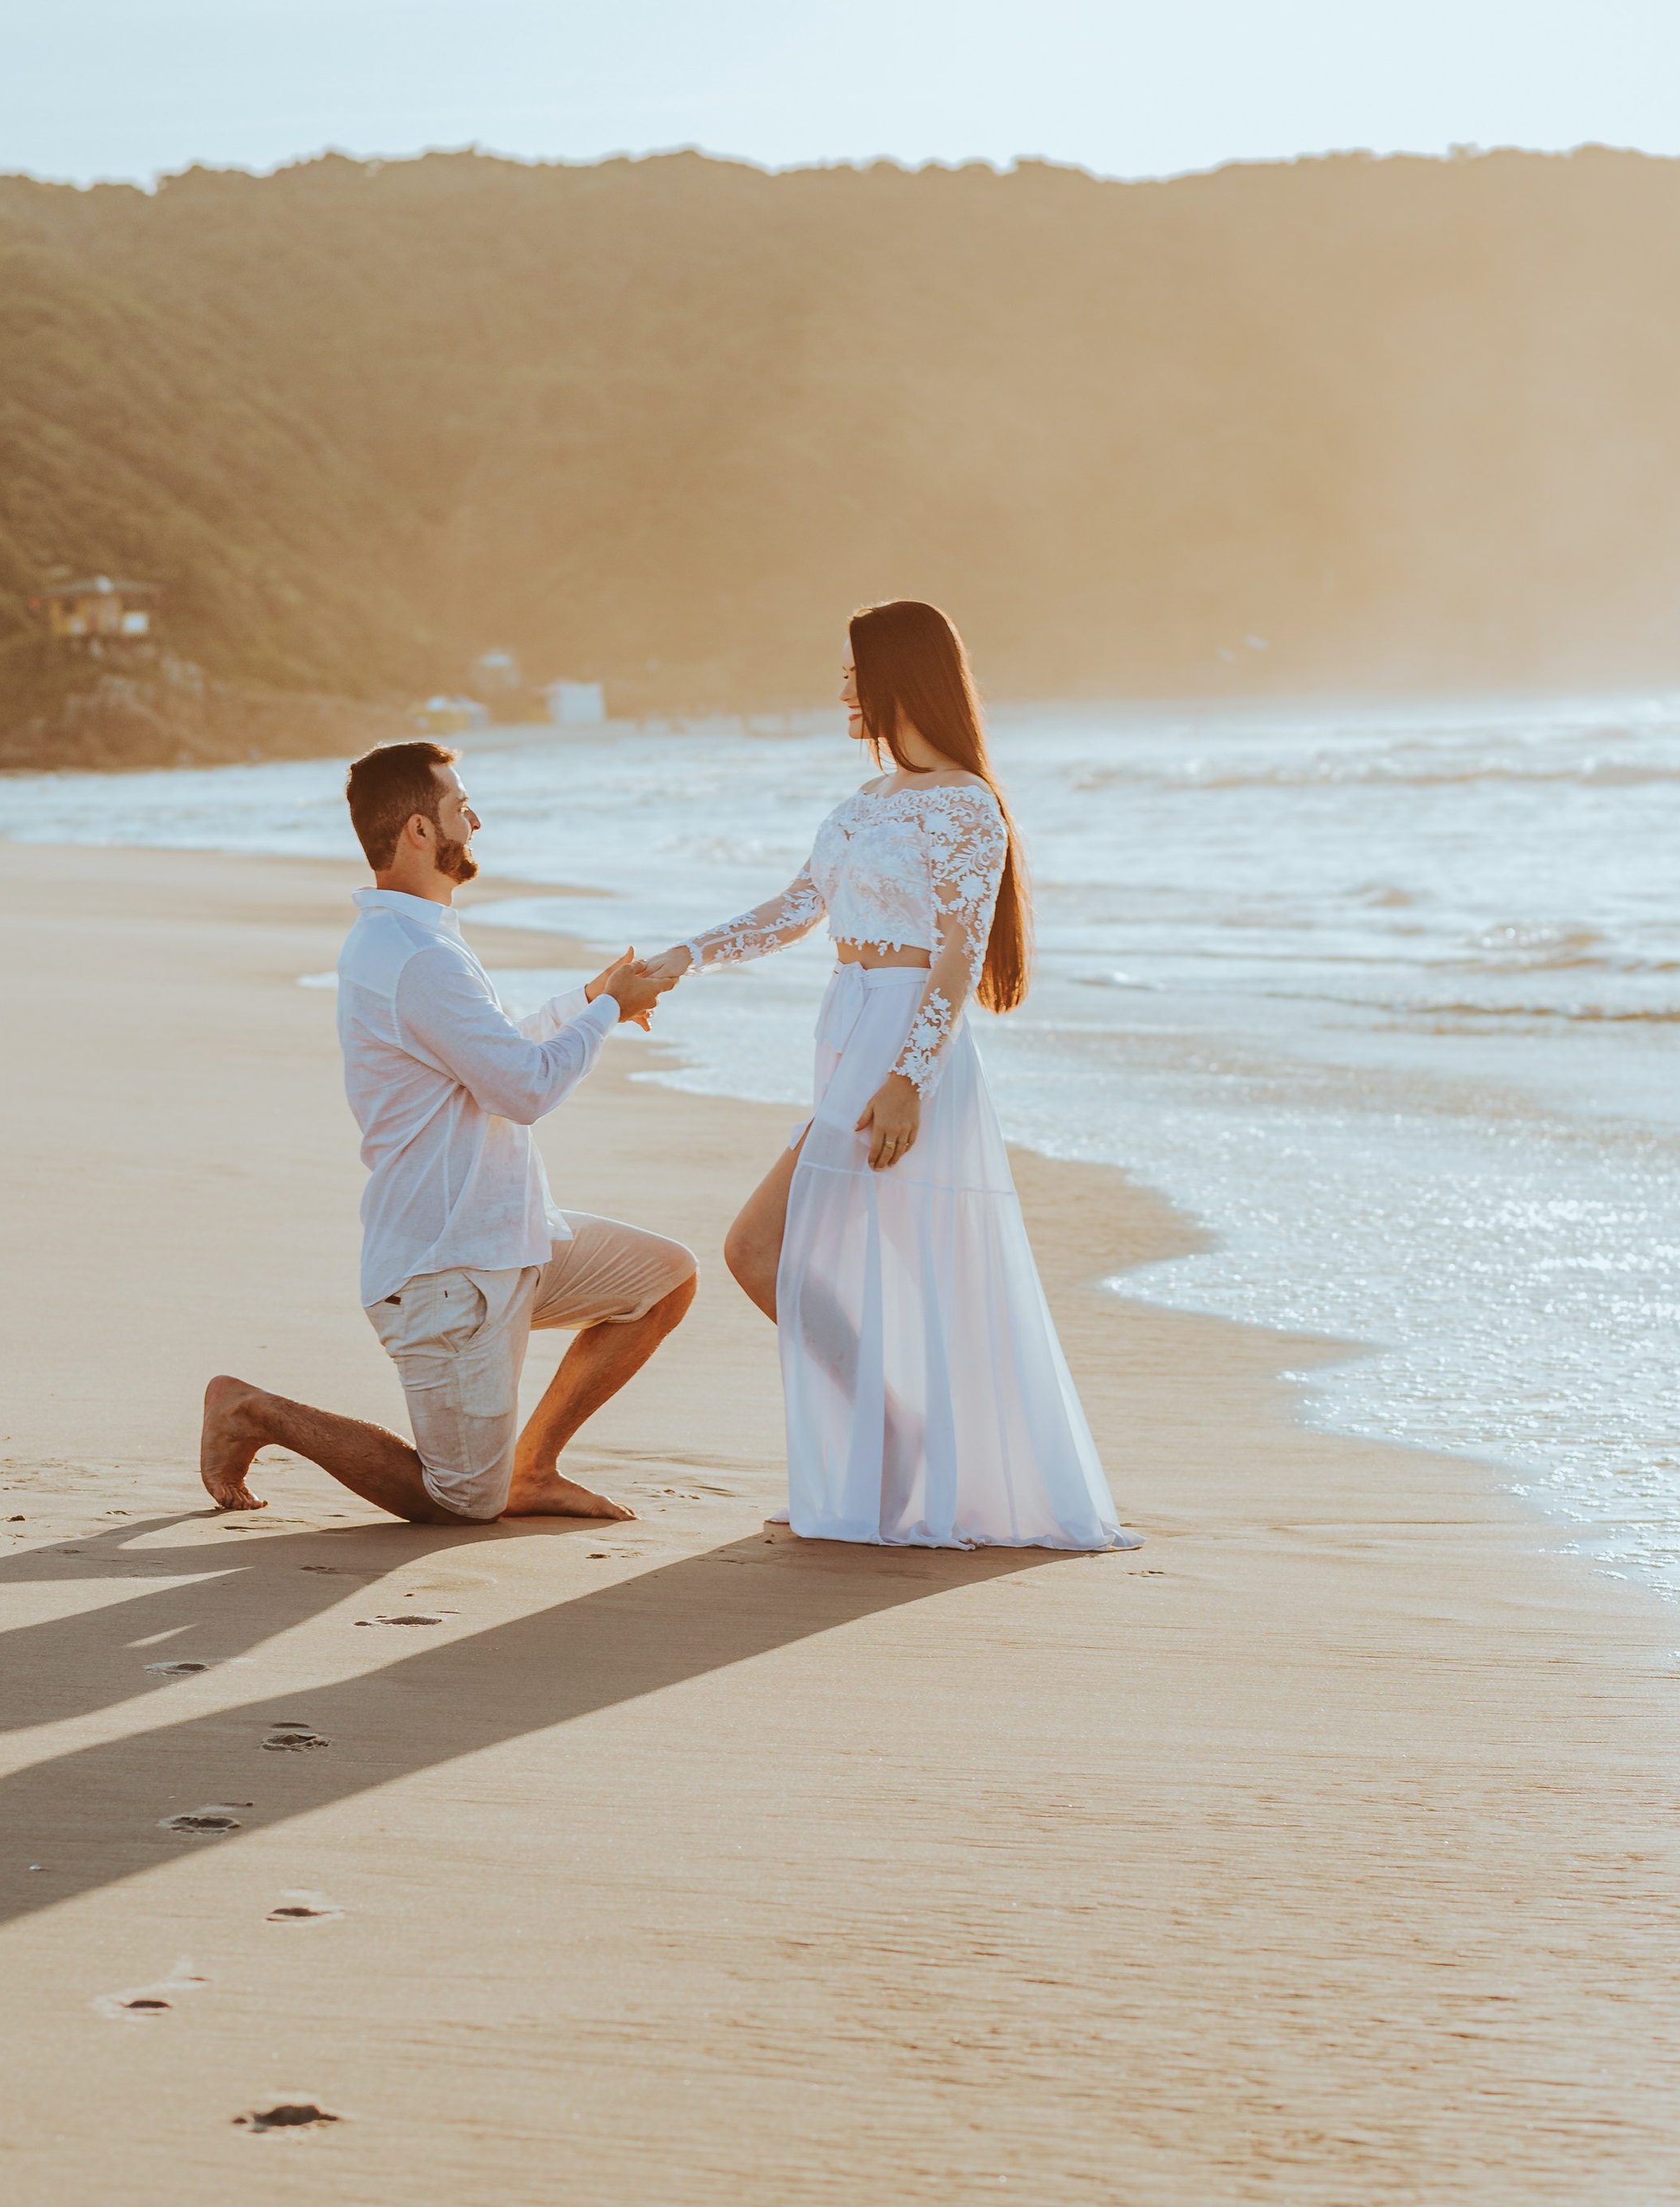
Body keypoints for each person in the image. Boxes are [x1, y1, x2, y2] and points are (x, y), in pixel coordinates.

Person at [645, 601, 1137, 1552]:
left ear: (898, 679)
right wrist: (680, 959)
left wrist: (910, 1076)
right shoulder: (867, 802)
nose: (840, 691)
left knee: (769, 1248)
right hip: (845, 1025)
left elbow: (957, 953)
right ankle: (896, 1440)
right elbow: (796, 906)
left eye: (851, 674)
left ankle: (913, 1446)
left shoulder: (965, 802)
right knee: (809, 1256)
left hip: (900, 1038)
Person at [201, 738, 694, 1525]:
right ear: (421, 833)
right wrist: (607, 1011)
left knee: (661, 1280)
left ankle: (531, 1469)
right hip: (446, 1271)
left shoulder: (420, 943)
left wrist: (589, 998)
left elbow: (497, 1057)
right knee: (460, 1499)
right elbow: (524, 1090)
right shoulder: (414, 956)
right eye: (461, 805)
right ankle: (252, 1412)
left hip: (506, 1239)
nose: (477, 818)